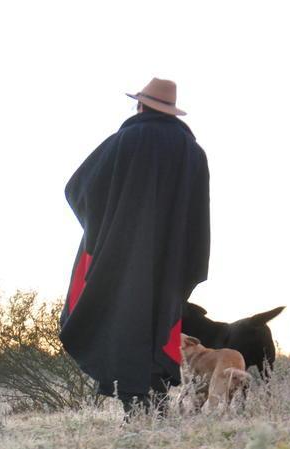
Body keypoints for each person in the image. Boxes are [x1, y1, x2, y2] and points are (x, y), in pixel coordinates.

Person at [58, 78, 211, 417]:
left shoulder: (126, 140)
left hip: (123, 259)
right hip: (171, 265)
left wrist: (105, 232)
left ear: (141, 105)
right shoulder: (193, 153)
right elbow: (198, 215)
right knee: (159, 327)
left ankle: (137, 410)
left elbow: (79, 189)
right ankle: (155, 408)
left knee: (125, 324)